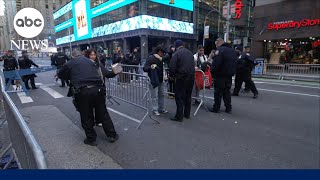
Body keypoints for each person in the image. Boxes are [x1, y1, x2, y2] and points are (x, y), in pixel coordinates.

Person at [58, 49, 119, 146]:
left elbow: (61, 75)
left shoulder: (70, 63)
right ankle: (112, 135)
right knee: (103, 113)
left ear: (73, 56)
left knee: (86, 115)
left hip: (83, 91)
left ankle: (91, 139)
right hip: (98, 90)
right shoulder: (91, 62)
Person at [169, 40, 195, 121]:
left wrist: (172, 76)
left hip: (181, 77)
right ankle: (187, 114)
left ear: (176, 46)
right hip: (191, 77)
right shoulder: (190, 53)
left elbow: (172, 66)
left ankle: (179, 116)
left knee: (179, 97)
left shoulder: (177, 53)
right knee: (188, 96)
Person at [210, 38, 237, 114]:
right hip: (229, 75)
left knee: (218, 92)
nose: (216, 46)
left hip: (220, 75)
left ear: (219, 42)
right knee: (227, 92)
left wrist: (212, 71)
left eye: (216, 44)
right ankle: (228, 108)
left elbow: (217, 63)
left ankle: (216, 108)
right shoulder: (232, 51)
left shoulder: (220, 50)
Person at [143, 46, 168, 116]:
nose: (163, 54)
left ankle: (161, 108)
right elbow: (144, 68)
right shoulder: (151, 58)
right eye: (163, 53)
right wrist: (151, 67)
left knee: (161, 94)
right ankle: (155, 109)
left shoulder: (161, 59)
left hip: (160, 79)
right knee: (154, 95)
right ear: (159, 52)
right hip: (154, 80)